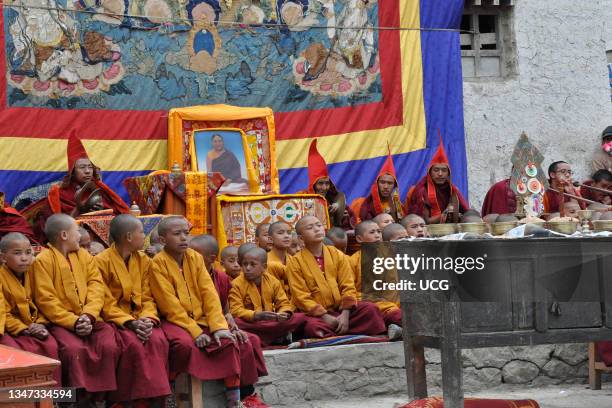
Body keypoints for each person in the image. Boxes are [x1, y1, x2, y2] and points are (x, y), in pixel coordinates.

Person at [150, 217, 267, 408]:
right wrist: (195, 331)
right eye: (177, 234)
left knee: (228, 341)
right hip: (175, 321)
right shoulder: (157, 264)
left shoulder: (194, 258)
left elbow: (209, 294)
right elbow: (168, 304)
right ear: (163, 240)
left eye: (186, 233)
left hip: (203, 318)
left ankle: (234, 401)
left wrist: (219, 326)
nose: (183, 238)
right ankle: (169, 392)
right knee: (184, 345)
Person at [32, 214, 119, 400]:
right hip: (63, 322)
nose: (80, 236)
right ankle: (76, 399)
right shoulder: (43, 261)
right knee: (73, 350)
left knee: (108, 345)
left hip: (90, 319)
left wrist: (88, 315)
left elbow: (97, 287)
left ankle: (99, 398)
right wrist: (74, 321)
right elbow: (45, 299)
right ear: (64, 235)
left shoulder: (85, 256)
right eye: (76, 232)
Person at [95, 215, 170, 404]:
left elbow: (148, 296)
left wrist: (147, 318)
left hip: (141, 318)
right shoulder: (101, 262)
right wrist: (129, 322)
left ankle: (156, 399)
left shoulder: (144, 260)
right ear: (129, 237)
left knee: (158, 340)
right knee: (132, 344)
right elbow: (104, 302)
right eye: (141, 232)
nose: (144, 236)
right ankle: (125, 400)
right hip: (117, 320)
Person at [189, 235, 269, 403]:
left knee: (248, 340)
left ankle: (248, 396)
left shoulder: (221, 278)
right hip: (196, 325)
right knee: (236, 343)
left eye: (194, 253)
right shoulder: (186, 275)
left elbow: (226, 310)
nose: (189, 256)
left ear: (211, 259)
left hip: (217, 324)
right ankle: (239, 398)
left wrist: (230, 323)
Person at [285, 216, 386, 338]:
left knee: (371, 309)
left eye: (318, 225)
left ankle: (336, 331)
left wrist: (346, 313)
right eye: (310, 228)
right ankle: (346, 330)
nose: (317, 229)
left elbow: (348, 285)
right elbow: (300, 296)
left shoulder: (337, 254)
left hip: (341, 310)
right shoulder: (295, 261)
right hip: (316, 315)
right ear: (301, 238)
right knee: (312, 327)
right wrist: (324, 316)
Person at [0, 233, 61, 385]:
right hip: (11, 328)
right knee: (15, 354)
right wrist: (24, 329)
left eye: (28, 252)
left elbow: (45, 301)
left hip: (35, 325)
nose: (24, 258)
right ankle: (23, 399)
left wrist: (40, 324)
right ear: (2, 257)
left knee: (51, 346)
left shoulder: (35, 270)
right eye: (17, 253)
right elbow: (3, 313)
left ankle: (54, 398)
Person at [229, 247, 307, 346]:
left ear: (264, 267)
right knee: (236, 323)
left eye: (252, 264)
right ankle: (274, 336)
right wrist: (256, 315)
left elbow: (283, 303)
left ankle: (266, 337)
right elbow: (235, 310)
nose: (247, 268)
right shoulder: (236, 284)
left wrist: (283, 313)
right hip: (253, 323)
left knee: (301, 317)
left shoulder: (273, 281)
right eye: (245, 264)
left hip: (272, 321)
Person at [48, 131, 130, 218]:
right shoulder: (61, 193)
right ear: (72, 172)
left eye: (90, 167)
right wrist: (79, 209)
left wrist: (101, 211)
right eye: (82, 167)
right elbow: (57, 224)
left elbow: (115, 215)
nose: (87, 171)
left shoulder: (98, 189)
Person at [349, 221, 402, 340]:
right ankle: (396, 329)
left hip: (394, 305)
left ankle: (397, 329)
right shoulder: (352, 261)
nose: (377, 235)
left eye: (379, 232)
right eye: (372, 232)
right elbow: (350, 291)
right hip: (374, 306)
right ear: (359, 238)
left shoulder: (389, 258)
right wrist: (381, 303)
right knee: (374, 313)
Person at [405, 140, 469, 224]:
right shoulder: (420, 190)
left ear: (448, 173)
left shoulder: (453, 190)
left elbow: (466, 212)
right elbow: (424, 222)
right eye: (436, 170)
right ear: (429, 172)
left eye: (444, 170)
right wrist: (446, 213)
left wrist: (457, 215)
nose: (440, 174)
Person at [302, 139, 353, 228]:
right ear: (313, 184)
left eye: (327, 183)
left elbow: (351, 220)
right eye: (320, 183)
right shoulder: (302, 196)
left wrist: (341, 214)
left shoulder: (333, 200)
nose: (325, 187)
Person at [358, 151, 404, 222]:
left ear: (394, 186)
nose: (386, 186)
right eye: (382, 182)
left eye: (389, 183)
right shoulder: (361, 203)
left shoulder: (398, 205)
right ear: (377, 184)